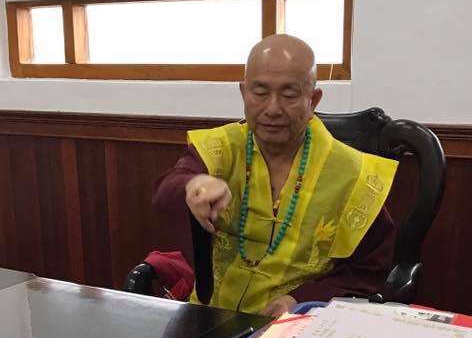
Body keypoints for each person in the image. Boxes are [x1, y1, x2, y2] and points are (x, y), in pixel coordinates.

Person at [153, 34, 398, 316]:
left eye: (289, 95)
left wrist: (300, 299)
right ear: (243, 93)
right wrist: (194, 184)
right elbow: (169, 189)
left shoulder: (353, 174)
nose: (272, 109)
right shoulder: (219, 148)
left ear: (313, 100)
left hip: (296, 324)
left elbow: (368, 268)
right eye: (260, 93)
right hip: (208, 316)